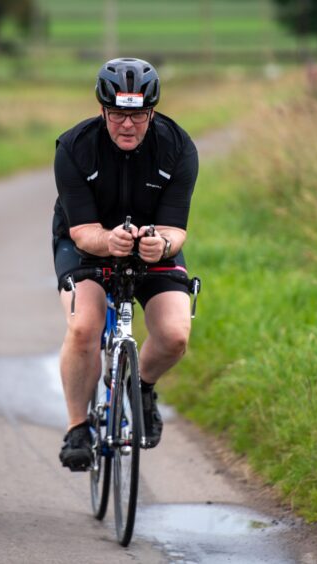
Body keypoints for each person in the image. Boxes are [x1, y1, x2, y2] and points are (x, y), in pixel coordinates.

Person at [52, 57, 199, 471]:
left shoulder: (178, 147)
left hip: (153, 244)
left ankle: (141, 386)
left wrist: (162, 244)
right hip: (86, 241)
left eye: (137, 115)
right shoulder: (74, 148)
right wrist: (108, 240)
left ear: (151, 112)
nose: (127, 125)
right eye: (117, 115)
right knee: (84, 327)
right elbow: (82, 231)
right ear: (102, 110)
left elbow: (176, 229)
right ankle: (78, 427)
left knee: (174, 334)